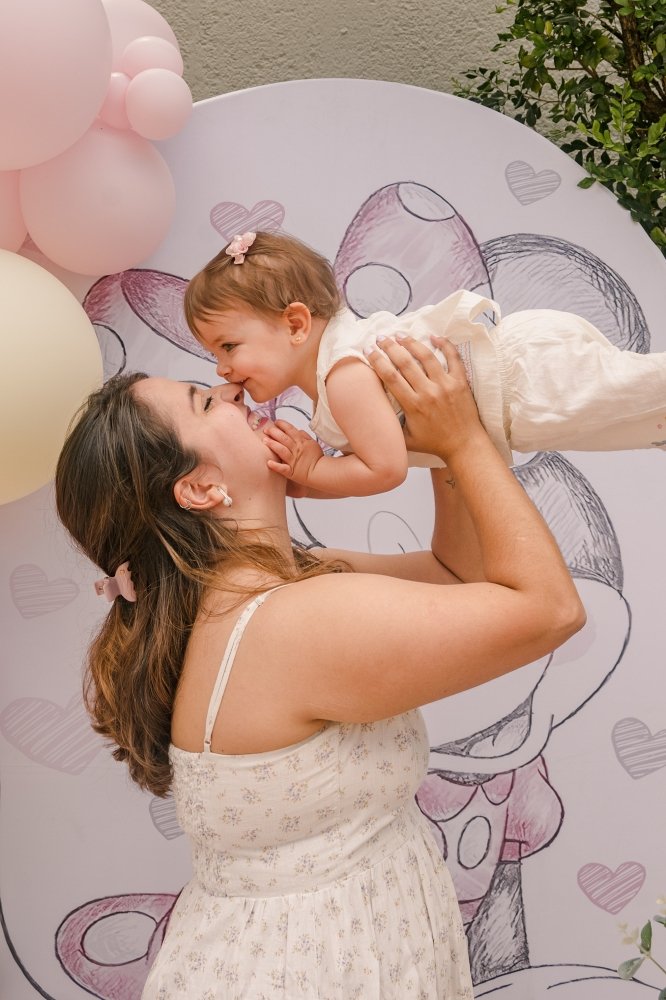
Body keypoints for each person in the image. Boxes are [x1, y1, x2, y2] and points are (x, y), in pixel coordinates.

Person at [55, 334, 585, 999]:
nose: (232, 390)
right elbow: (550, 610)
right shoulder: (291, 623)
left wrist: (425, 438)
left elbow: (458, 573)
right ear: (200, 487)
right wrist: (465, 441)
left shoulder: (281, 588)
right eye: (206, 402)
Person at [184, 230, 666, 499]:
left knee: (646, 391)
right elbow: (372, 461)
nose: (222, 369)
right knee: (643, 420)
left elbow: (385, 468)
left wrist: (312, 471)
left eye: (228, 346)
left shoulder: (343, 376)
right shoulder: (334, 376)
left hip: (524, 379)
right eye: (214, 355)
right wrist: (306, 484)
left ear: (295, 324)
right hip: (521, 401)